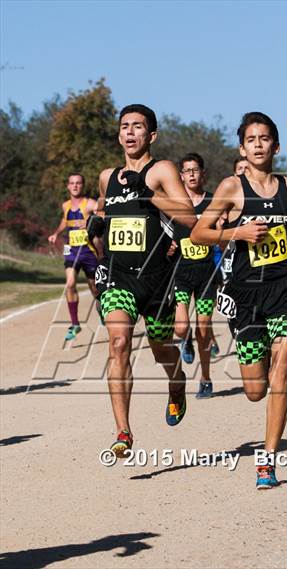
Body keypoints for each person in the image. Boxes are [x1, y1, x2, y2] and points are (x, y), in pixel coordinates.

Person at [191, 112, 287, 489]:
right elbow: (200, 233)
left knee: (284, 363)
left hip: (284, 287)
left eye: (264, 138)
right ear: (242, 148)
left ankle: (266, 461)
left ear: (276, 145)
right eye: (250, 139)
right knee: (255, 390)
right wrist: (238, 231)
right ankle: (262, 360)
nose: (257, 144)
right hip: (245, 292)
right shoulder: (230, 189)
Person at [94, 104, 196, 456]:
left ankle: (177, 381)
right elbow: (103, 216)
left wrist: (150, 193)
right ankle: (123, 432)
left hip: (157, 279)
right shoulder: (108, 177)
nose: (130, 132)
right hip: (119, 277)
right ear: (119, 133)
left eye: (138, 127)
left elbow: (190, 217)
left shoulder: (162, 170)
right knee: (119, 343)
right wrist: (96, 228)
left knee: (160, 348)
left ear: (151, 135)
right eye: (125, 126)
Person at [173, 153, 219, 398]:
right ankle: (185, 339)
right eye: (187, 170)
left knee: (204, 328)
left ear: (203, 173)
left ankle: (206, 379)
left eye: (195, 170)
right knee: (181, 327)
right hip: (181, 272)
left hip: (206, 273)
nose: (191, 174)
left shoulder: (213, 202)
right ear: (180, 176)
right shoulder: (176, 204)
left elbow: (224, 229)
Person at [48, 173, 99, 340]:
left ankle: (101, 309)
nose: (75, 186)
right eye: (72, 183)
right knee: (70, 284)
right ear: (68, 186)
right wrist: (56, 233)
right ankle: (75, 324)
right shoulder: (65, 205)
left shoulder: (90, 204)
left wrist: (90, 220)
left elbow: (104, 215)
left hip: (88, 250)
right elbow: (65, 220)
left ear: (82, 185)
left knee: (95, 288)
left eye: (78, 183)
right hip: (71, 249)